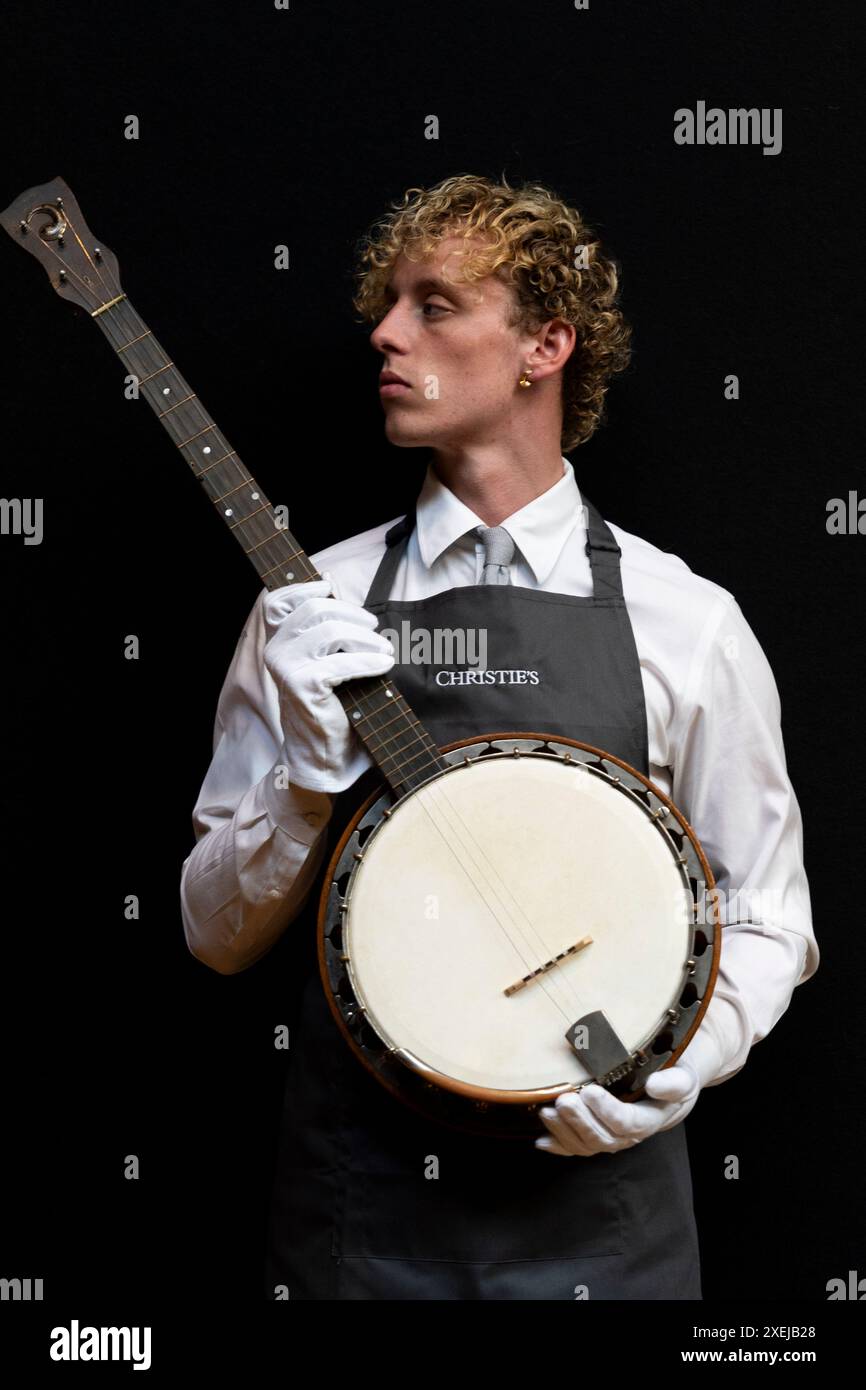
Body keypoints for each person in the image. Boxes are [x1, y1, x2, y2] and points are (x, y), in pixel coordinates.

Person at [180, 173, 819, 1300]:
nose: (381, 331)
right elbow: (210, 934)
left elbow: (765, 911)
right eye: (385, 303)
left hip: (607, 1230)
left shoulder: (685, 619)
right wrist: (302, 789)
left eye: (434, 305)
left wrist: (693, 1061)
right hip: (357, 1223)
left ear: (545, 346)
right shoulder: (309, 606)